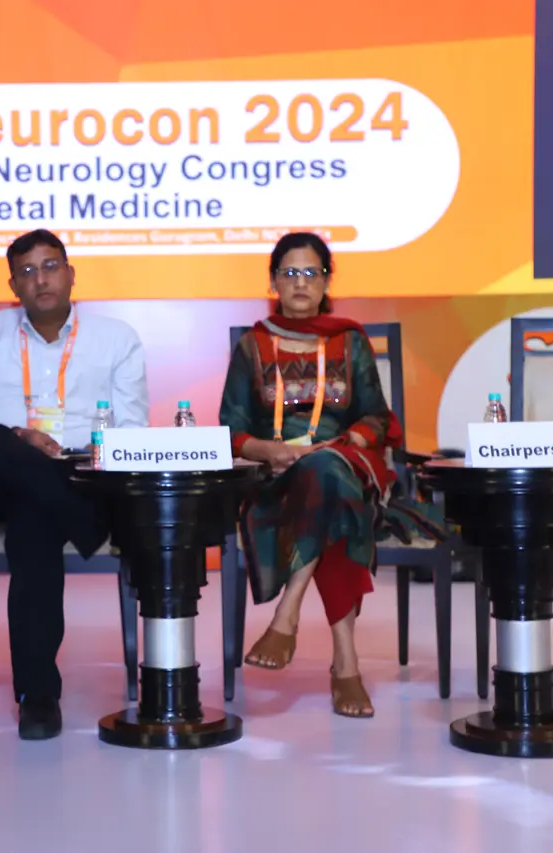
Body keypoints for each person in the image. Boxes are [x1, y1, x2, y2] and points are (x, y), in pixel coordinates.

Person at [0, 228, 149, 740]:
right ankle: (84, 521)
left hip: (76, 474)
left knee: (35, 518)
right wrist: (19, 436)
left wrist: (68, 463)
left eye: (50, 266)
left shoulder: (116, 339)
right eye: (27, 271)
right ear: (14, 286)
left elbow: (131, 429)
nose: (41, 279)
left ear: (71, 274)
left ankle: (38, 697)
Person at [219, 232, 438, 718]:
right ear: (273, 282)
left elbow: (376, 416)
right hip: (275, 476)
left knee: (329, 475)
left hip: (344, 462)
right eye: (289, 273)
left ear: (325, 282)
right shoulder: (253, 345)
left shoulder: (349, 340)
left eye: (311, 273)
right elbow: (229, 429)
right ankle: (345, 665)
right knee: (335, 500)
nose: (300, 283)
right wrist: (266, 450)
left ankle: (287, 615)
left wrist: (349, 440)